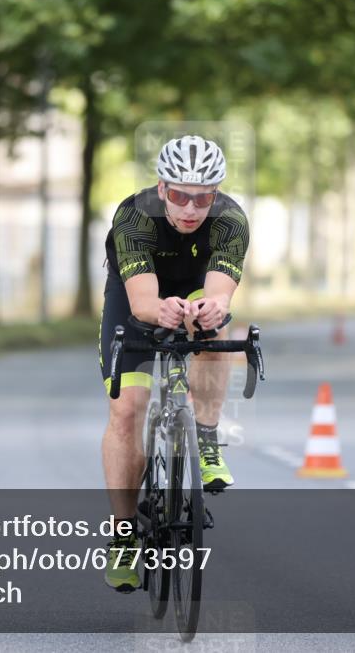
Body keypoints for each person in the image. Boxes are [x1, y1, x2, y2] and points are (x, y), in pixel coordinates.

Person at [98, 135, 250, 591]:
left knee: (213, 328)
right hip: (135, 301)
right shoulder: (134, 215)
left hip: (196, 289)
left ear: (216, 195)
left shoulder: (231, 220)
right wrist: (160, 309)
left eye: (202, 198)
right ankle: (124, 536)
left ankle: (205, 438)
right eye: (181, 195)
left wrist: (214, 308)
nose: (191, 208)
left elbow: (221, 291)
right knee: (127, 410)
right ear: (162, 187)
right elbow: (144, 303)